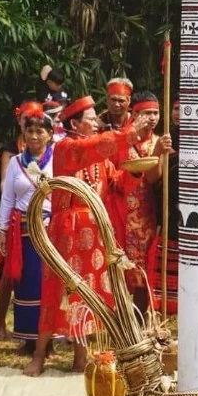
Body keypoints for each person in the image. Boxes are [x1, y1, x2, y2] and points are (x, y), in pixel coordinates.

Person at [25, 94, 150, 376]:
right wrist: (128, 132)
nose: (96, 123)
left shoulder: (99, 157)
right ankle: (39, 356)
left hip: (96, 231)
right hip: (66, 232)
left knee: (88, 293)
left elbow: (118, 183)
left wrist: (136, 173)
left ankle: (80, 358)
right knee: (56, 289)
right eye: (91, 119)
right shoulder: (66, 148)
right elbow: (95, 147)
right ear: (74, 124)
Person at [0, 112, 54, 346]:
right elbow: (8, 198)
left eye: (40, 131)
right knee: (27, 281)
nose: (34, 136)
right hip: (21, 231)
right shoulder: (15, 162)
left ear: (50, 135)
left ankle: (47, 338)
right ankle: (29, 338)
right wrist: (1, 230)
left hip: (49, 228)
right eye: (29, 131)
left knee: (46, 281)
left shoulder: (56, 159)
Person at [109, 90, 164, 313]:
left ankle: (139, 321)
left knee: (143, 270)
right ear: (134, 113)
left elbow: (157, 179)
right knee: (117, 268)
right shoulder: (119, 140)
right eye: (146, 113)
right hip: (120, 212)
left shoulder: (160, 142)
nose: (152, 118)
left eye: (156, 113)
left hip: (148, 215)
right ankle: (116, 319)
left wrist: (160, 153)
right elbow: (109, 175)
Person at [146, 97, 180, 314]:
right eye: (176, 109)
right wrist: (159, 151)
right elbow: (151, 178)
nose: (180, 113)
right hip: (170, 209)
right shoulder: (167, 138)